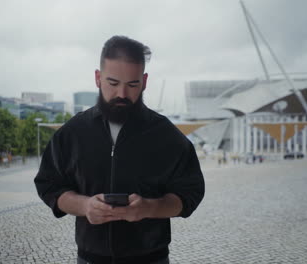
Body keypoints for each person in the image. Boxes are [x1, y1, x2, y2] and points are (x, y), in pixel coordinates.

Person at [34, 35, 205, 264]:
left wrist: (149, 208)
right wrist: (85, 206)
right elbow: (49, 186)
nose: (122, 94)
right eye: (113, 83)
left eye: (132, 84)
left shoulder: (167, 136)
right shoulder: (72, 133)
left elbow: (189, 194)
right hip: (90, 259)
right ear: (98, 78)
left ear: (144, 81)